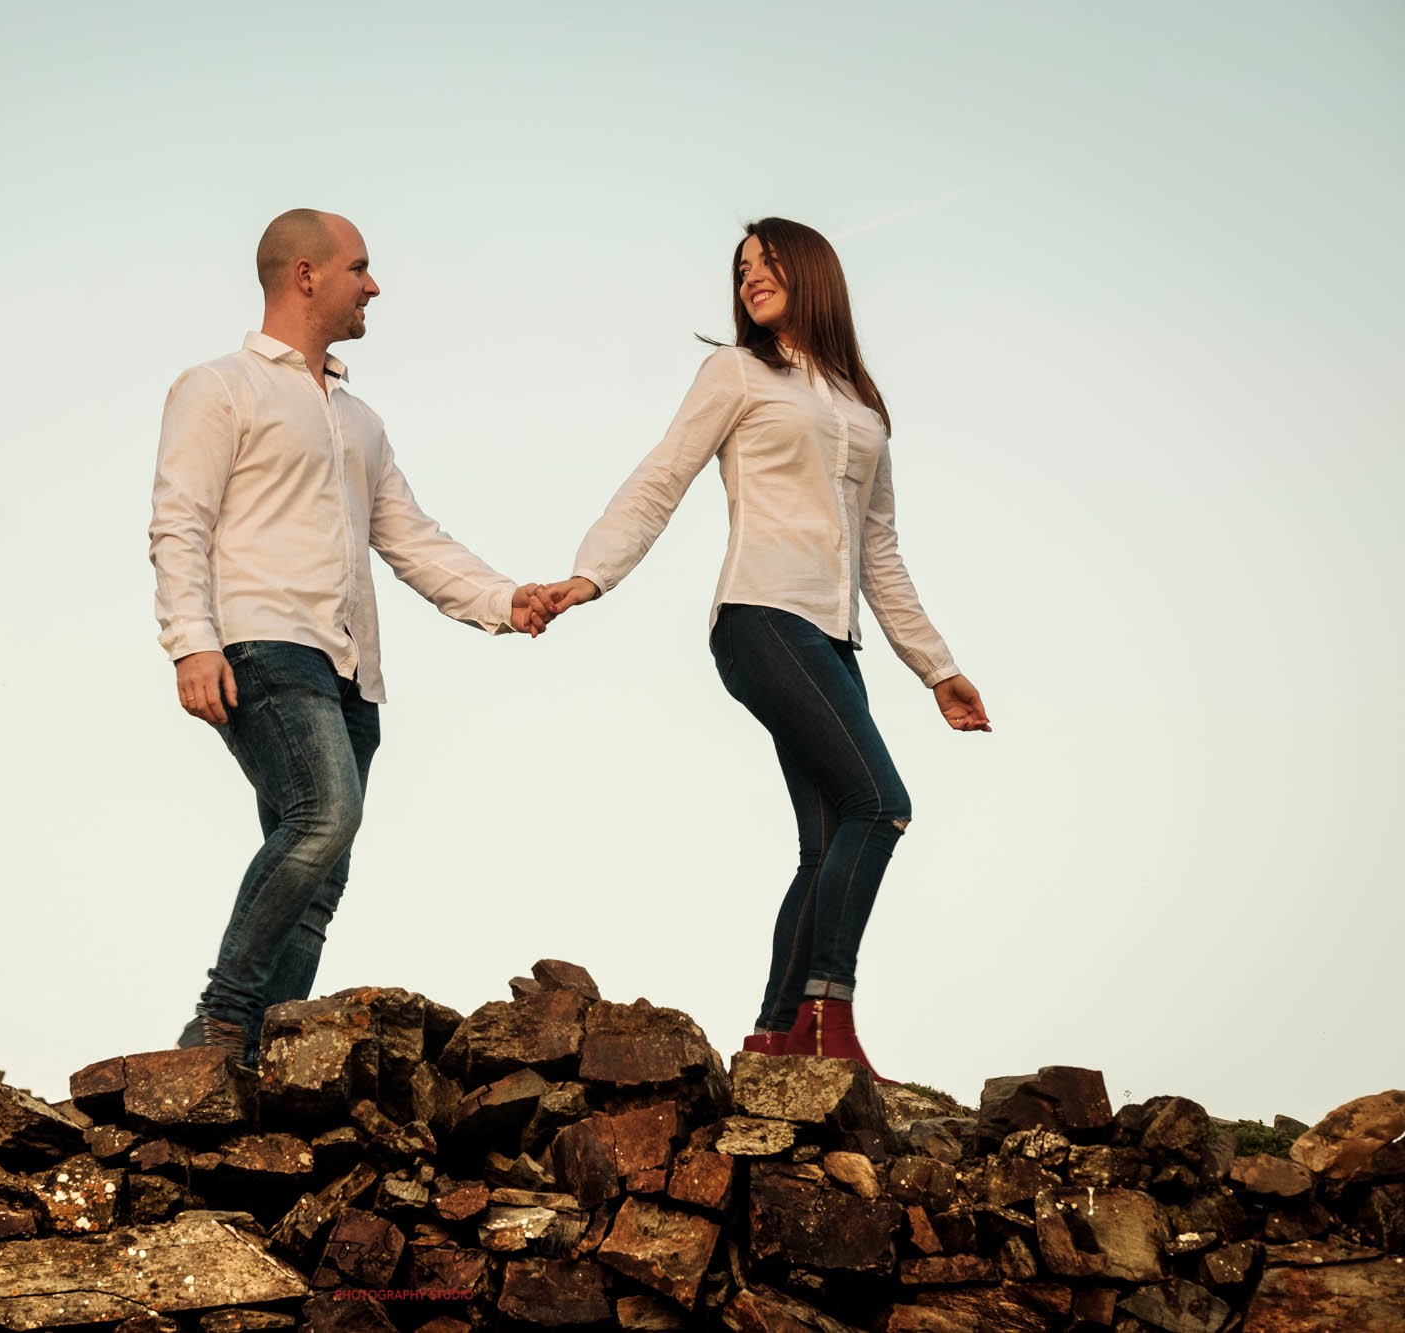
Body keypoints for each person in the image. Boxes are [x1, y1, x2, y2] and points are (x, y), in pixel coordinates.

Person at [541, 217, 990, 1080]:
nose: (750, 276)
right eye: (741, 267)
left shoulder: (863, 407)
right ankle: (830, 1016)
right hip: (759, 618)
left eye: (768, 261)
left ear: (812, 271)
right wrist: (590, 574)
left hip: (833, 638)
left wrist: (937, 667)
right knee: (880, 803)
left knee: (826, 842)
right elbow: (661, 475)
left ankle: (778, 1039)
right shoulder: (736, 372)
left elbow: (880, 552)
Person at [149, 208, 553, 1066]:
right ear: (305, 275)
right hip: (261, 645)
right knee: (323, 817)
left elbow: (411, 537)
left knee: (321, 875)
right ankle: (220, 1021)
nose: (374, 285)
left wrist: (503, 599)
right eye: (360, 267)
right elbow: (179, 521)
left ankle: (257, 1056)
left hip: (350, 671)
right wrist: (192, 641)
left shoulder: (361, 420)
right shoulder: (218, 386)